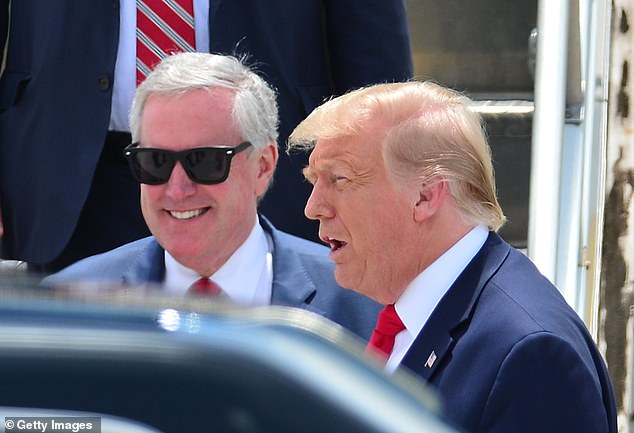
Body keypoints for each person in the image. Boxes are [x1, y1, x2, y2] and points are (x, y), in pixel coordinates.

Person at [287, 81, 617, 433]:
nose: (313, 207)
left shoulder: (530, 352)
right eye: (313, 181)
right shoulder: (402, 311)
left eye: (339, 179)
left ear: (426, 195)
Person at [0, 0, 413, 274]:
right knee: (76, 392)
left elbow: (372, 48)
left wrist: (374, 177)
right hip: (65, 180)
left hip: (264, 169)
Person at [44, 52, 381, 341]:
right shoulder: (67, 306)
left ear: (263, 167)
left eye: (204, 162)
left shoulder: (361, 301)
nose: (177, 189)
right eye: (155, 162)